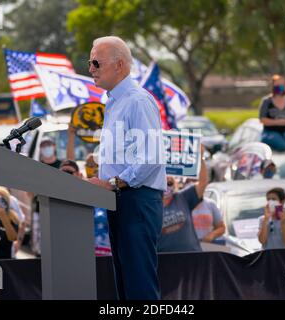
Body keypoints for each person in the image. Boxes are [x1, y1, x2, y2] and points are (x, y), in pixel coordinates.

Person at [87, 36, 166, 300]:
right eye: (90, 63)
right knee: (125, 283)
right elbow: (128, 151)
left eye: (96, 63)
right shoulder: (113, 101)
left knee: (139, 285)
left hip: (137, 200)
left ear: (119, 65)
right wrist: (98, 165)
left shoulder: (137, 100)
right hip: (119, 198)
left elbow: (151, 156)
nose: (91, 69)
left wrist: (113, 182)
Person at [159, 147, 208, 252]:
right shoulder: (149, 204)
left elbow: (203, 182)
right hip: (164, 262)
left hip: (192, 257)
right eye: (163, 183)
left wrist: (201, 158)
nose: (167, 187)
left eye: (170, 183)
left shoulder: (183, 197)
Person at [60, 159, 111, 256]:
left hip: (106, 255)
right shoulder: (76, 197)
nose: (94, 172)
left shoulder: (109, 197)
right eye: (89, 165)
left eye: (69, 172)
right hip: (79, 254)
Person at [259, 74, 285, 151]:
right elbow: (263, 120)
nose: (280, 87)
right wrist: (283, 122)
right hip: (270, 132)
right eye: (277, 84)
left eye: (282, 84)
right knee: (283, 146)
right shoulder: (267, 101)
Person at [0, 186, 19, 260]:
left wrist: (3, 216)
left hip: (4, 261)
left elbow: (13, 238)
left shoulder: (13, 217)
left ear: (5, 201)